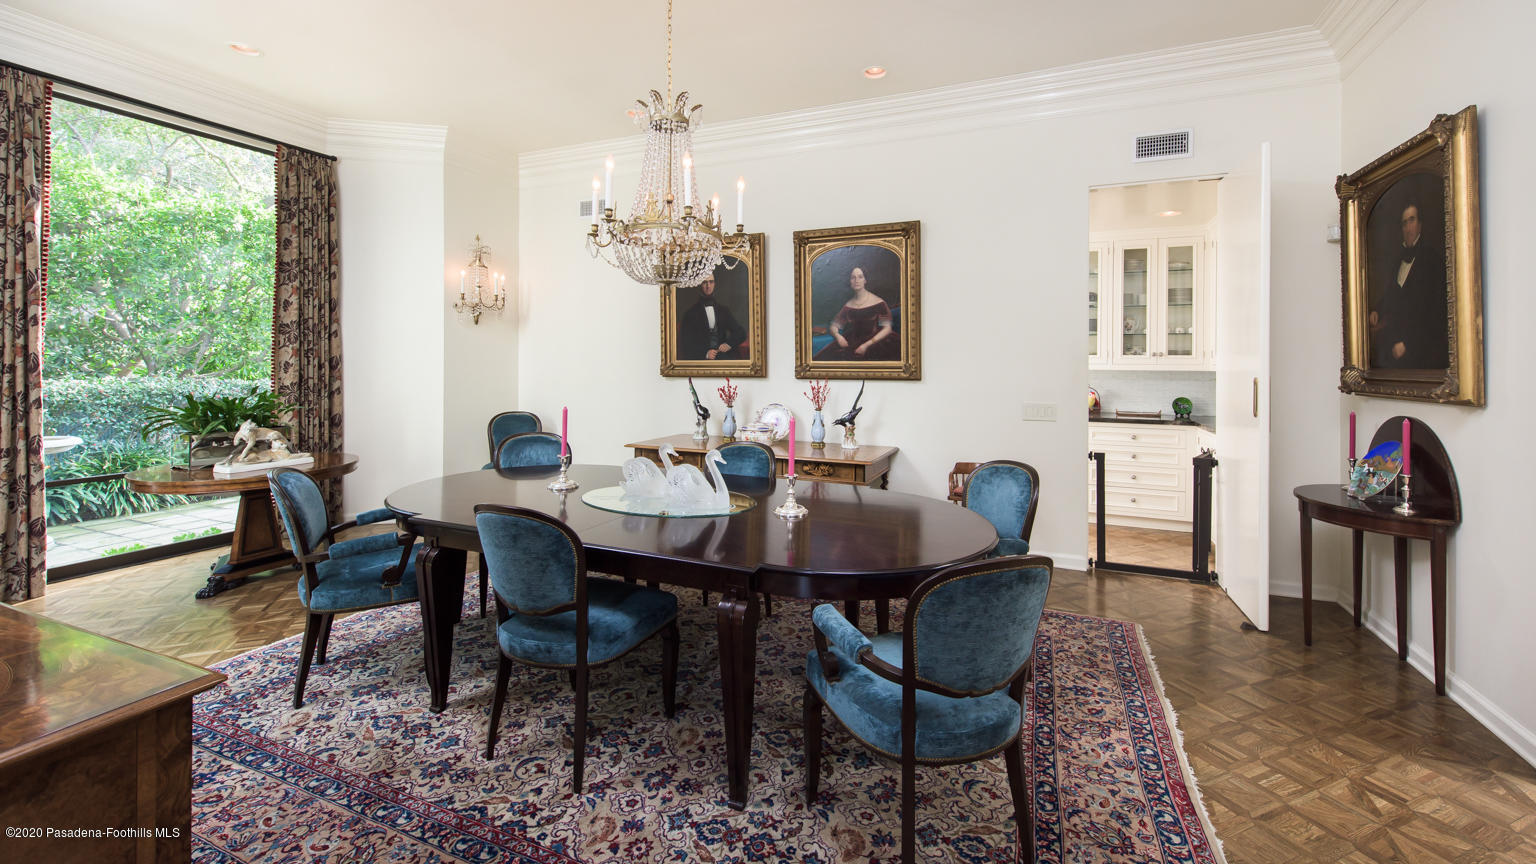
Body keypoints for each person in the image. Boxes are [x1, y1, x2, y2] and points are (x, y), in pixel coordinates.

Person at [1369, 202, 1448, 369]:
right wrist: (1377, 310)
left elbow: (1434, 312)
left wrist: (1408, 344)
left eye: (1411, 220)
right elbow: (1392, 293)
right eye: (1404, 223)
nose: (1408, 227)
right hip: (1396, 344)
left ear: (1420, 224)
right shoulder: (1399, 260)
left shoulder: (1432, 259)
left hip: (1422, 348)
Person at [813, 266, 898, 361]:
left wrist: (866, 345)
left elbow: (887, 329)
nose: (856, 280)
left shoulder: (879, 302)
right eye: (853, 277)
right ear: (850, 281)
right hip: (853, 340)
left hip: (876, 341)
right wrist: (839, 337)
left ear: (865, 280)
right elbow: (834, 326)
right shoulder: (848, 305)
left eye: (860, 277)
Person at [678, 275, 746, 361]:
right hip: (700, 360)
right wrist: (705, 354)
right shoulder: (690, 314)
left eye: (711, 282)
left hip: (723, 358)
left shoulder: (723, 310)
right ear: (699, 284)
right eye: (705, 282)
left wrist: (728, 344)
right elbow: (686, 344)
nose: (708, 286)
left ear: (714, 284)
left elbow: (741, 333)